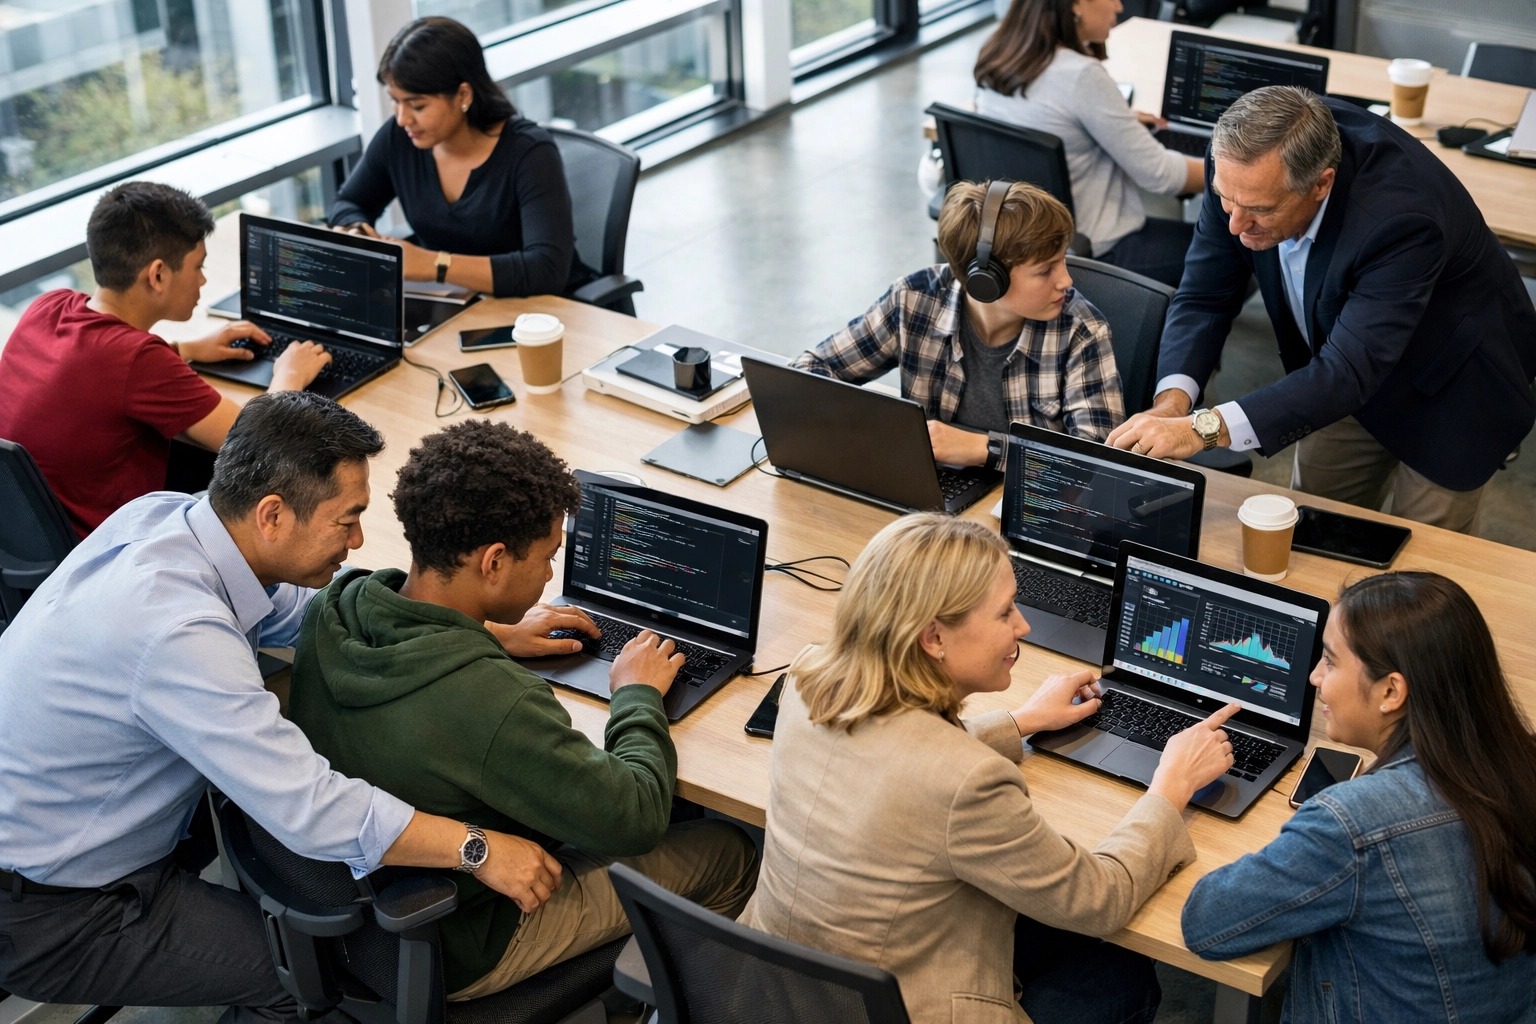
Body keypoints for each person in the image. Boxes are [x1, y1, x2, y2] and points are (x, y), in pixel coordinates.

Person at [0, 392, 567, 1024]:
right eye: (347, 520)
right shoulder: (178, 630)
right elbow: (312, 808)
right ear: (272, 515)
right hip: (56, 909)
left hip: (64, 837)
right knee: (304, 982)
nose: (358, 539)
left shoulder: (166, 519)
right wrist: (477, 848)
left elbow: (308, 614)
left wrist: (479, 625)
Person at [287, 419, 758, 998]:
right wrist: (635, 694)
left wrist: (486, 631)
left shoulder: (335, 608)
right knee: (732, 850)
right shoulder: (493, 700)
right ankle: (640, 1000)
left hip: (355, 904)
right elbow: (636, 818)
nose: (551, 575)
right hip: (468, 937)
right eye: (548, 556)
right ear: (494, 562)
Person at [740, 513, 1240, 1024]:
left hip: (778, 992)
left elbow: (895, 758)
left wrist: (1024, 721)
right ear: (934, 638)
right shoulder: (969, 782)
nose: (1023, 626)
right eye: (1004, 613)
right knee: (1122, 975)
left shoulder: (808, 680)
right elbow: (1100, 899)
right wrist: (1170, 787)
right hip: (912, 1010)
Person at [1106, 86, 1536, 535]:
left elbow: (1349, 370)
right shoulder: (1240, 170)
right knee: (1314, 526)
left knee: (1422, 558)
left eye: (1257, 210)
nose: (1234, 225)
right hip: (1336, 364)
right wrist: (1172, 405)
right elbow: (1203, 296)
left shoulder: (1400, 218)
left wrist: (1202, 429)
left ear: (1322, 184)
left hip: (1450, 381)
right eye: (1225, 201)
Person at [1182, 572, 1536, 1022]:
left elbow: (1206, 922)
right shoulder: (1519, 760)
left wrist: (1171, 793)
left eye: (1330, 662)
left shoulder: (1351, 824)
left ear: (1391, 691)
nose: (1314, 677)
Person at [0, 181, 330, 536]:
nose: (203, 280)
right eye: (198, 267)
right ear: (157, 275)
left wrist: (186, 349)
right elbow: (260, 446)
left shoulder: (48, 306)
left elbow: (101, 371)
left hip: (26, 539)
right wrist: (289, 376)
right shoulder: (139, 361)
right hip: (106, 551)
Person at [792, 181, 1123, 470]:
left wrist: (985, 450)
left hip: (1028, 504)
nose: (1066, 280)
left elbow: (1097, 462)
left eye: (1062, 260)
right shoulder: (912, 300)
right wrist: (888, 431)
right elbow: (808, 372)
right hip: (932, 492)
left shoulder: (1081, 331)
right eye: (1045, 270)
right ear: (987, 281)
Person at [327, 17, 590, 298]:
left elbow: (546, 271)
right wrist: (356, 230)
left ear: (463, 95)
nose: (403, 118)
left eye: (417, 105)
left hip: (540, 312)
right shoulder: (399, 138)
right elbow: (349, 202)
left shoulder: (530, 153)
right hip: (457, 302)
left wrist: (434, 265)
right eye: (395, 100)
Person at [973, 0, 1204, 287]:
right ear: (1076, 4)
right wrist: (1229, 172)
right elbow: (1161, 176)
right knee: (1229, 249)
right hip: (1098, 250)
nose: (1119, 7)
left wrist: (1118, 120)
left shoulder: (999, 52)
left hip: (1023, 238)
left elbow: (1045, 113)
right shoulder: (1081, 75)